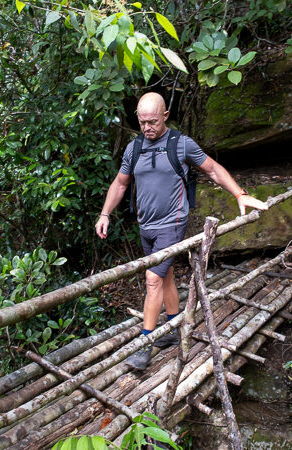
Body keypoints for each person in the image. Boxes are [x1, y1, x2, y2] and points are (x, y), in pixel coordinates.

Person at [95, 92, 268, 370]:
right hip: (147, 226)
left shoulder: (180, 144)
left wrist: (239, 194)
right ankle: (174, 328)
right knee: (166, 277)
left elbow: (212, 169)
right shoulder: (134, 148)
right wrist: (105, 214)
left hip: (172, 224)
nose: (148, 127)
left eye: (152, 121)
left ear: (165, 116)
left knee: (153, 279)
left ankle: (145, 343)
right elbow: (120, 183)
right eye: (142, 122)